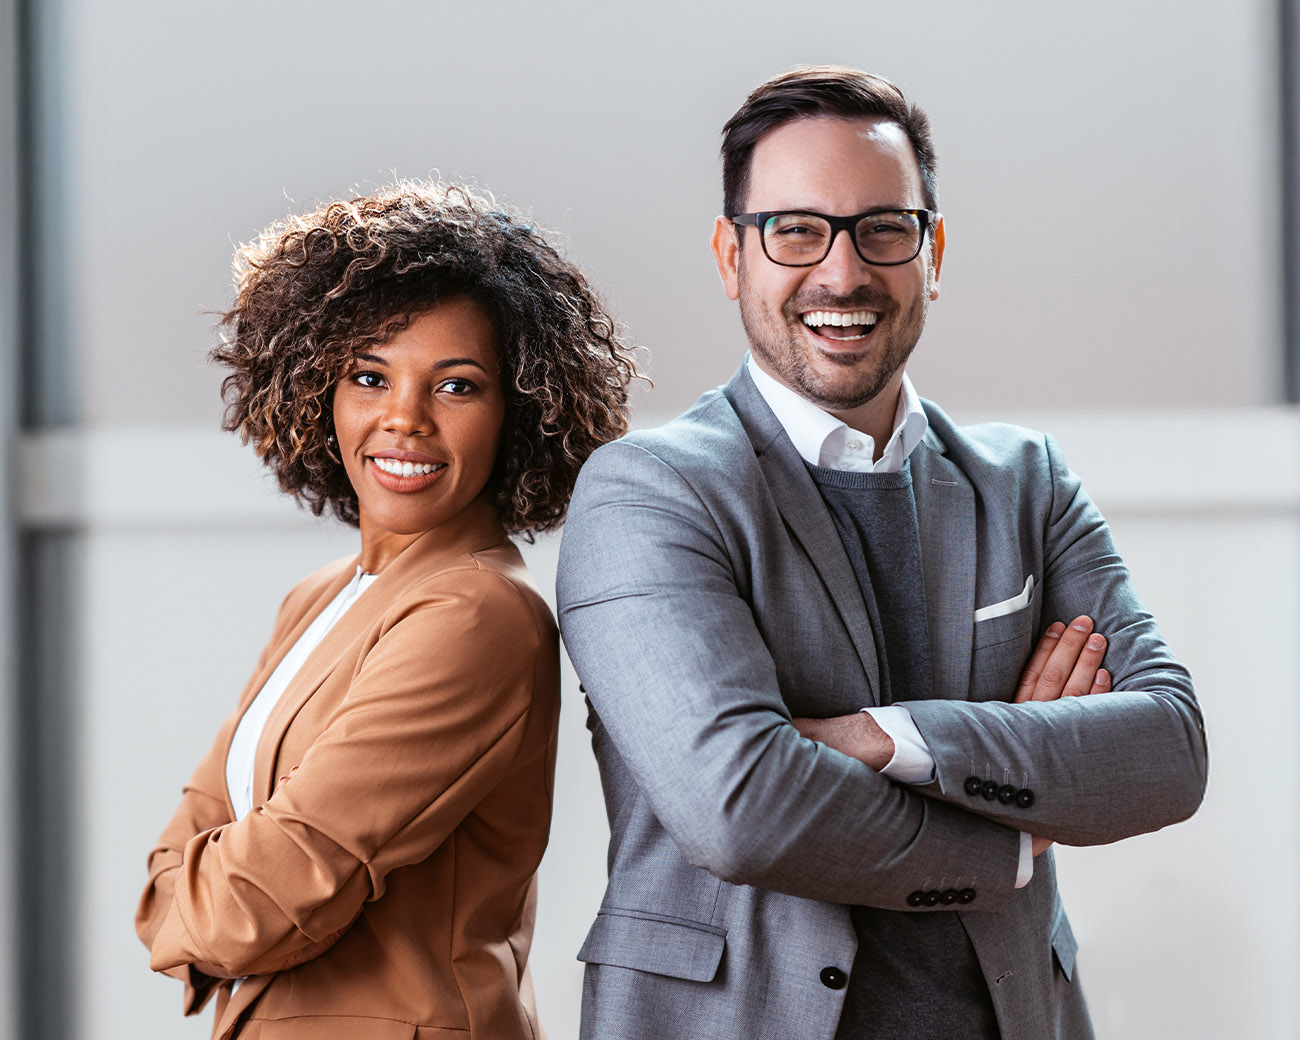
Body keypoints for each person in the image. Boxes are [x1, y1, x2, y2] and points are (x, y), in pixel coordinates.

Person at [556, 67, 1207, 1040]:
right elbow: (741, 805)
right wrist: (1013, 833)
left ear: (932, 249)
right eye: (794, 229)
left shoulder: (1024, 480)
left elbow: (1166, 748)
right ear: (730, 255)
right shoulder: (648, 492)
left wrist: (880, 735)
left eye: (883, 228)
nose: (842, 272)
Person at [135, 180, 637, 1040]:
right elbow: (171, 870)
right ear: (316, 391)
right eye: (370, 376)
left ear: (516, 411)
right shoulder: (321, 597)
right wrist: (209, 898)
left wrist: (210, 904)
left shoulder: (477, 615)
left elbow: (250, 904)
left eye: (456, 387)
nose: (403, 419)